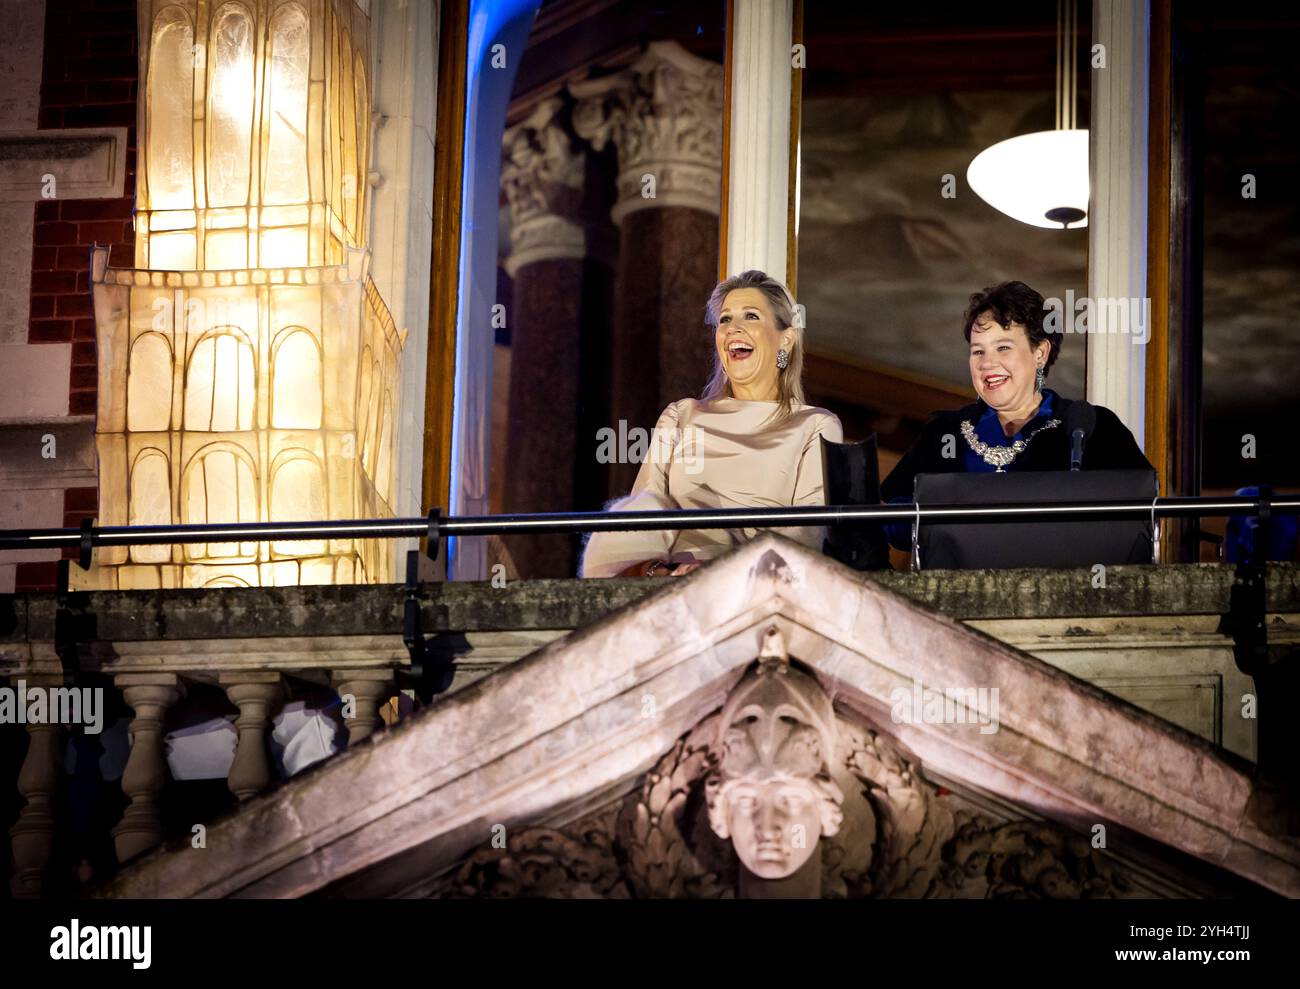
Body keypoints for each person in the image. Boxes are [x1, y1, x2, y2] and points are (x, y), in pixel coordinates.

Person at [580, 269, 843, 578]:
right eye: (725, 319)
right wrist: (660, 572)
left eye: (751, 316)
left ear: (785, 340)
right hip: (673, 587)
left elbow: (810, 537)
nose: (733, 329)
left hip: (757, 589)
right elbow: (640, 520)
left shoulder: (815, 425)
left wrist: (727, 571)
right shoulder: (681, 415)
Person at [880, 280, 1153, 548]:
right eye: (978, 351)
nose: (987, 363)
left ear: (1040, 352)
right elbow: (893, 523)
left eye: (1003, 347)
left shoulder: (1090, 426)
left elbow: (1141, 514)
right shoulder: (943, 432)